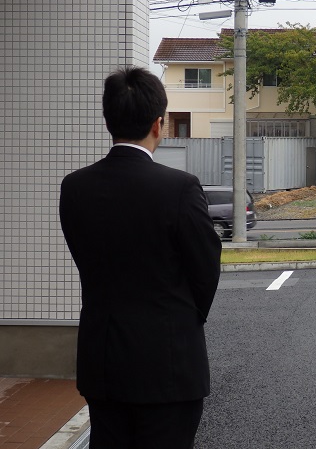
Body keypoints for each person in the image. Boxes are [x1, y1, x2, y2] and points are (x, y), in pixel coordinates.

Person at [59, 67, 222, 449]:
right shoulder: (179, 188)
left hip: (101, 360)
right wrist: (177, 318)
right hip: (168, 362)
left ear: (107, 121)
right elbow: (205, 272)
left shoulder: (75, 187)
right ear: (158, 124)